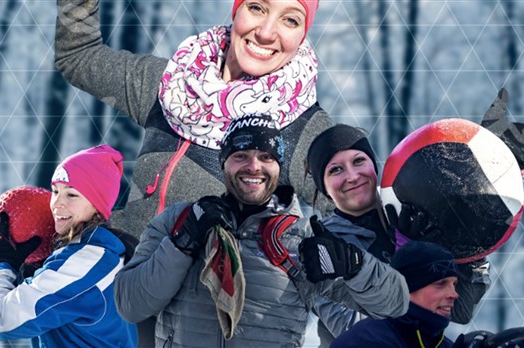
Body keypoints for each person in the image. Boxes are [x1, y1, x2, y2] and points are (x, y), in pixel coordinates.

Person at [113, 114, 409, 347]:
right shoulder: (177, 221)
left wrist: (356, 265)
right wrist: (182, 243)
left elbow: (395, 303)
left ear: (278, 167)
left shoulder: (303, 240)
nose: (254, 166)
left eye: (266, 157)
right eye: (241, 155)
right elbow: (131, 305)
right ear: (223, 162)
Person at [54, 0, 335, 242]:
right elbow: (79, 58)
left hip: (199, 303)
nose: (265, 32)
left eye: (290, 20)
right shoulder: (172, 84)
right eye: (257, 7)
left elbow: (358, 219)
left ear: (302, 34)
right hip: (120, 286)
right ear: (237, 9)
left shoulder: (302, 126)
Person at [305, 124, 491, 346]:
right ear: (324, 187)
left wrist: (471, 241)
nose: (352, 176)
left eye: (358, 161)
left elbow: (460, 310)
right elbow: (354, 331)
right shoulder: (322, 248)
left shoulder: (415, 214)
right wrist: (412, 265)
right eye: (335, 170)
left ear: (374, 166)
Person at [0, 145, 138, 347]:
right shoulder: (97, 253)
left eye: (71, 195)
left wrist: (3, 264)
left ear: (97, 204)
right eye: (55, 191)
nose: (56, 203)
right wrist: (34, 269)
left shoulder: (86, 262)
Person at [330, 240, 460, 348]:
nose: (454, 294)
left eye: (454, 284)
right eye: (440, 283)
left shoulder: (435, 341)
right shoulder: (365, 341)